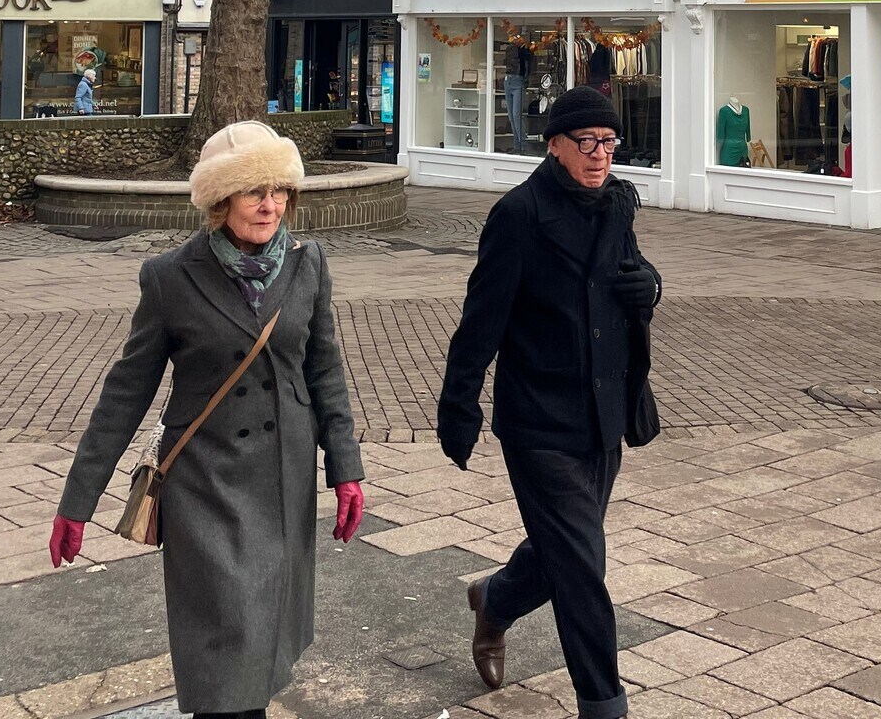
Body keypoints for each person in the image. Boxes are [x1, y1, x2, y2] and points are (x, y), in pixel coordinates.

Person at [50, 121, 366, 719]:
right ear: (220, 201)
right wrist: (78, 500)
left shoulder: (308, 263)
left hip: (283, 477)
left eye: (279, 190)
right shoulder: (171, 277)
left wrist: (345, 468)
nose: (270, 205)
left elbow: (324, 370)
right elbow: (126, 392)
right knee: (222, 643)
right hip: (207, 484)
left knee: (262, 633)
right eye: (253, 192)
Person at [438, 86, 661, 719]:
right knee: (584, 568)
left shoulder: (617, 204)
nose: (599, 156)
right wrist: (459, 404)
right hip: (538, 416)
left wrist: (651, 284)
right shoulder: (520, 214)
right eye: (586, 143)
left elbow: (628, 275)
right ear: (555, 146)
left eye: (609, 144)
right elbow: (482, 318)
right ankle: (604, 704)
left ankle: (497, 599)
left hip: (603, 413)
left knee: (563, 550)